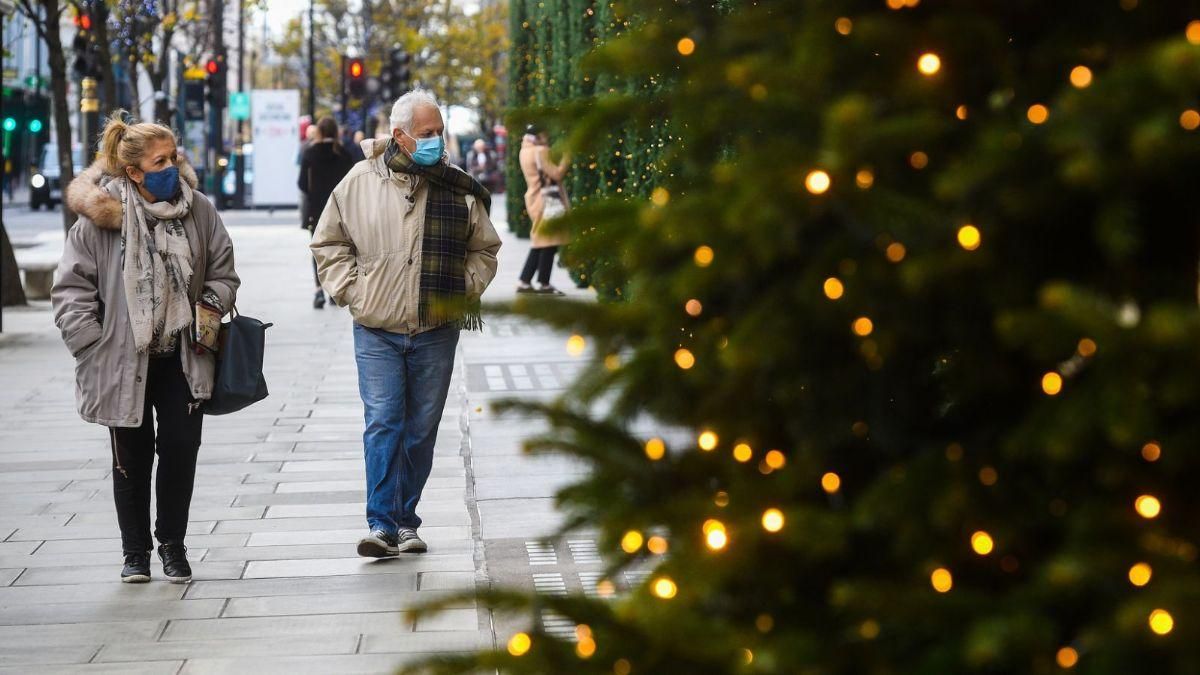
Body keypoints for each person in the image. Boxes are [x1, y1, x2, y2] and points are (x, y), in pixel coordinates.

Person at [51, 111, 239, 584]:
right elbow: (71, 288)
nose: (171, 166)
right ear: (133, 171)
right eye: (160, 160)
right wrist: (89, 342)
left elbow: (222, 270)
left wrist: (211, 307)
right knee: (131, 460)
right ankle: (135, 553)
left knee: (180, 450)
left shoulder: (198, 209)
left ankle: (172, 545)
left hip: (184, 353)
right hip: (120, 358)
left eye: (173, 156)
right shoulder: (98, 221)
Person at [311, 90, 501, 556]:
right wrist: (353, 292)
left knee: (420, 429)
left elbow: (485, 248)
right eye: (427, 134)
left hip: (437, 327)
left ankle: (405, 519)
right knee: (383, 422)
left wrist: (461, 288)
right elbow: (328, 244)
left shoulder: (457, 186)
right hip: (377, 327)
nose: (437, 141)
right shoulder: (359, 182)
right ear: (400, 136)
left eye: (440, 132)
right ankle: (382, 524)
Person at [298, 117, 355, 308]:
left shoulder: (310, 153)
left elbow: (302, 184)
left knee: (318, 250)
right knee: (339, 249)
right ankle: (335, 290)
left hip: (317, 209)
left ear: (320, 132)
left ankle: (318, 290)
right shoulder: (344, 155)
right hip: (341, 210)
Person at [517, 125, 571, 295]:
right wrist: (566, 159)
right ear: (539, 135)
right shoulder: (540, 150)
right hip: (547, 201)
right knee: (549, 242)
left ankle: (525, 281)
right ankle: (544, 283)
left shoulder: (524, 151)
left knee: (541, 241)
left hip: (535, 198)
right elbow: (556, 174)